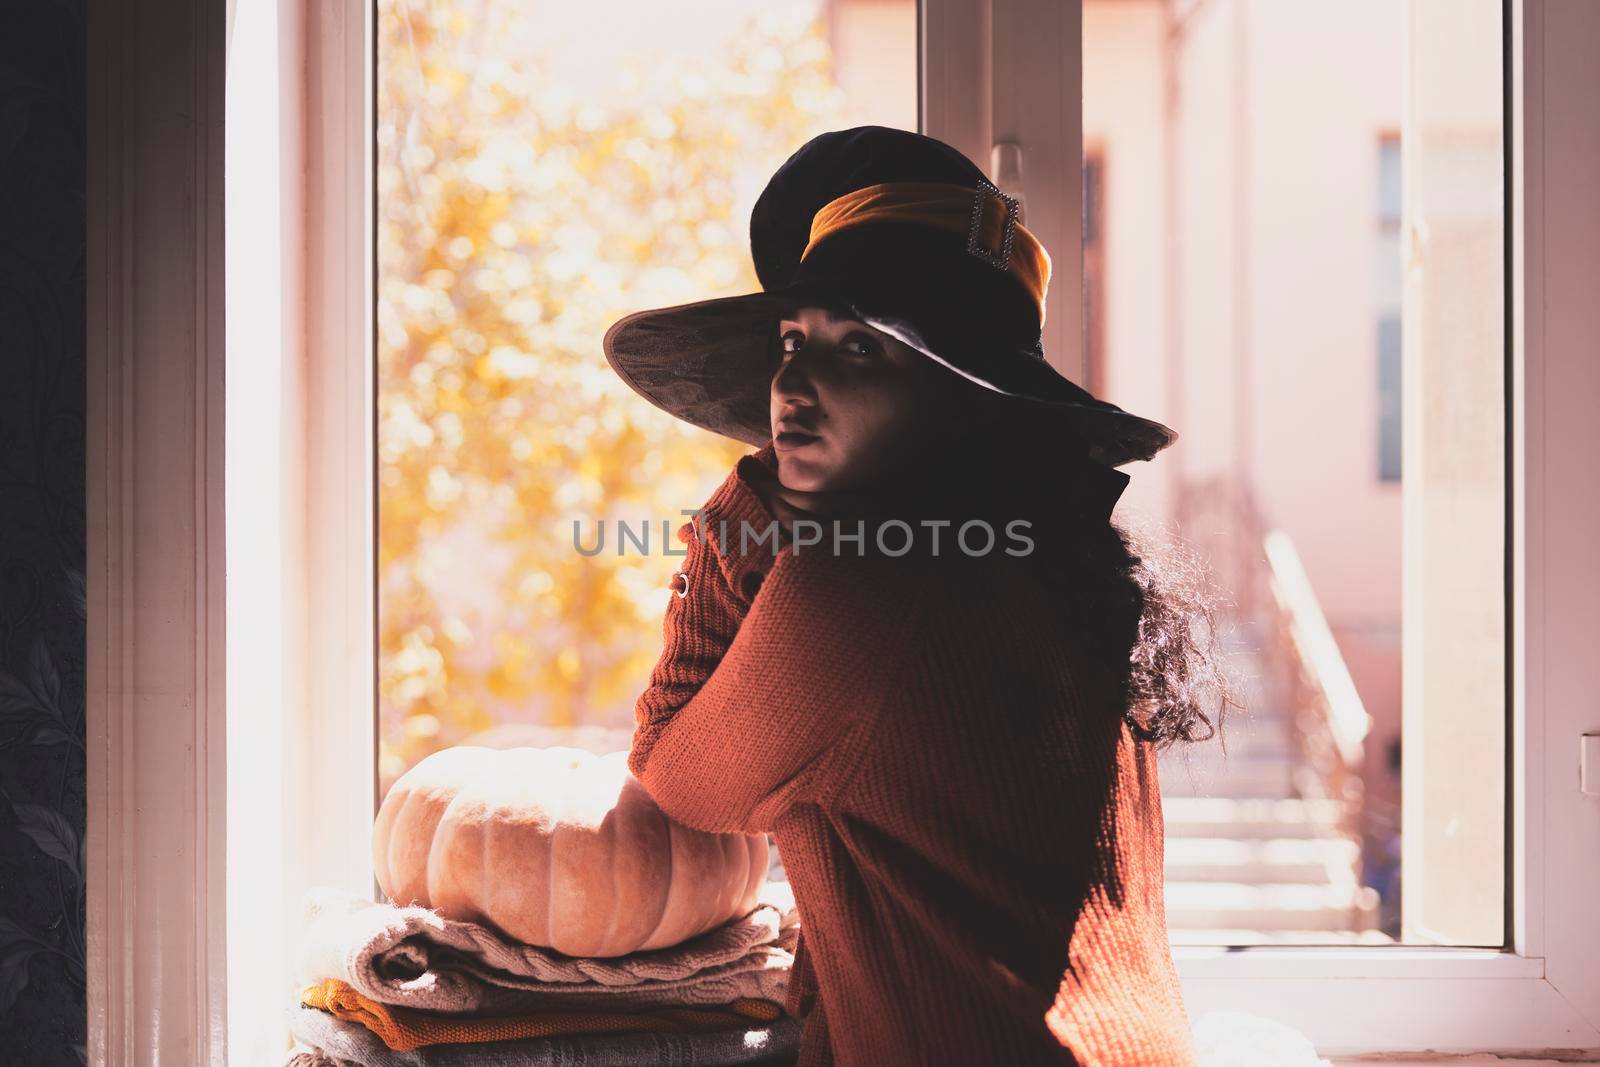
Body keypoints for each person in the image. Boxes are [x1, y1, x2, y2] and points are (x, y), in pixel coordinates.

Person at [603, 126, 1235, 1066]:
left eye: (856, 346)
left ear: (958, 396)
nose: (791, 382)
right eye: (792, 338)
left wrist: (750, 499)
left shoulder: (866, 583)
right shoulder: (1061, 562)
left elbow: (678, 775)